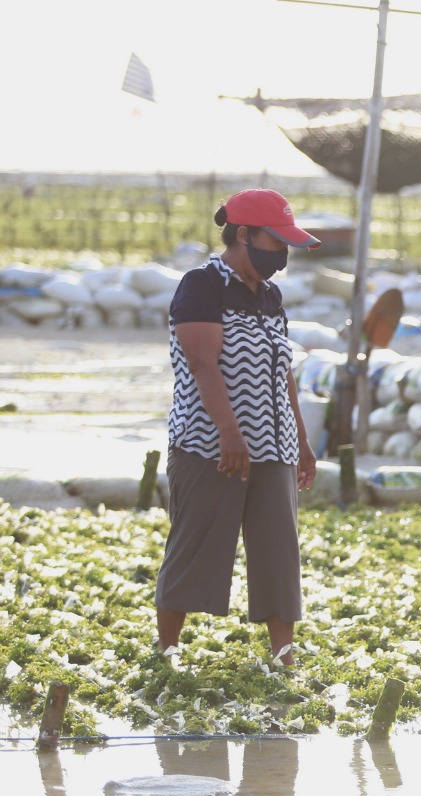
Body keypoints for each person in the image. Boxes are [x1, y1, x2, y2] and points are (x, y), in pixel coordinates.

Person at [155, 189, 321, 666]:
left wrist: (302, 441)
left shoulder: (269, 295)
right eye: (276, 242)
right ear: (243, 234)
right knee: (196, 544)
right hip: (209, 444)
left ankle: (284, 656)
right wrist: (229, 433)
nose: (282, 253)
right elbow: (202, 364)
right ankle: (168, 651)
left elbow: (283, 372)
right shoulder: (202, 285)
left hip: (275, 446)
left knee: (278, 551)